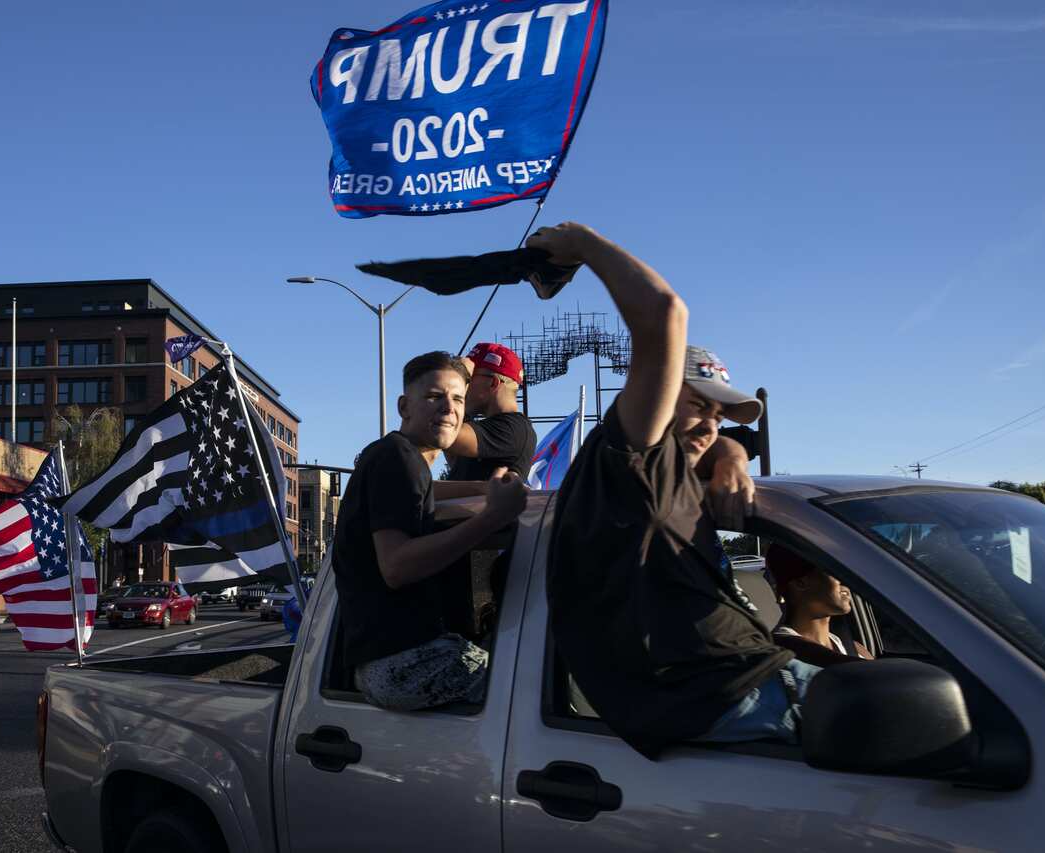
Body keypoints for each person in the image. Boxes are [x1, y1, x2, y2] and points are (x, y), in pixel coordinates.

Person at [538, 222, 820, 758]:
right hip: (720, 698)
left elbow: (712, 439)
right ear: (658, 394)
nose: (710, 425)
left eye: (719, 414)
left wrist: (731, 453)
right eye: (698, 405)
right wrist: (581, 243)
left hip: (752, 678)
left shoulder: (673, 471)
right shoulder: (631, 460)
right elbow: (667, 313)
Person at [332, 351, 528, 711]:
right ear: (404, 406)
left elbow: (424, 492)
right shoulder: (399, 458)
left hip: (388, 662)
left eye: (458, 399)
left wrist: (486, 490)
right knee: (531, 686)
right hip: (403, 662)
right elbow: (397, 567)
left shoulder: (398, 457)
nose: (449, 409)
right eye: (434, 397)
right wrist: (490, 518)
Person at [766, 544, 874, 665]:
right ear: (800, 583)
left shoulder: (853, 648)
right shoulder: (785, 654)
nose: (845, 579)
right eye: (833, 571)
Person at [444, 342, 537, 481]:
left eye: (468, 378)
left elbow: (444, 433)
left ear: (493, 383)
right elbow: (447, 444)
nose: (463, 385)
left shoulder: (515, 429)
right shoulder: (485, 429)